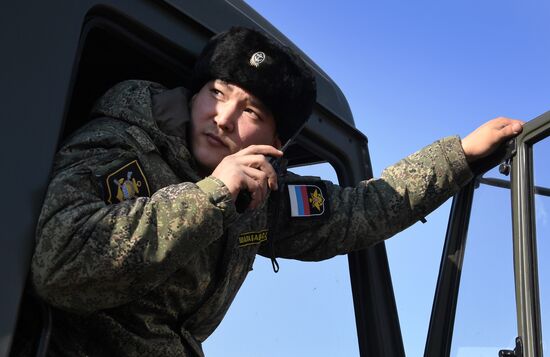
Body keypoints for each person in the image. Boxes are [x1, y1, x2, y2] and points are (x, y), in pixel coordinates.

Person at [30, 27, 523, 356]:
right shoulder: (121, 141)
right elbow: (60, 267)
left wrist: (460, 154)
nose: (221, 117)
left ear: (275, 144)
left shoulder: (258, 193)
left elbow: (357, 211)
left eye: (251, 112)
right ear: (197, 91)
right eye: (217, 93)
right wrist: (211, 196)